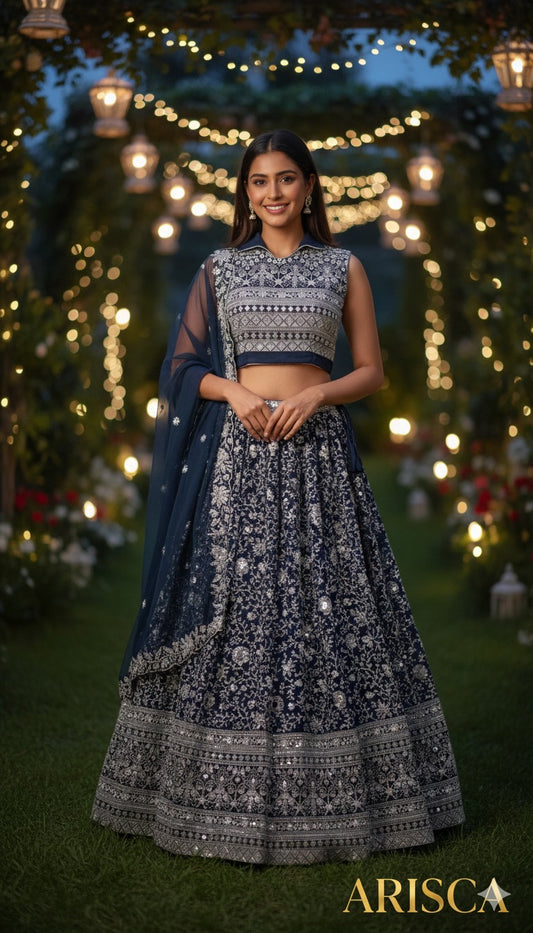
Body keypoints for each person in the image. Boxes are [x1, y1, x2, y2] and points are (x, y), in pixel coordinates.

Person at [92, 129, 465, 865]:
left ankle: (344, 789)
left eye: (286, 179)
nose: (273, 193)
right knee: (242, 608)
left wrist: (317, 395)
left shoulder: (342, 266)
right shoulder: (220, 268)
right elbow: (181, 366)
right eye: (259, 181)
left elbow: (372, 371)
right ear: (245, 191)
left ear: (309, 186)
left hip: (318, 459)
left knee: (329, 605)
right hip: (238, 461)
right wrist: (233, 391)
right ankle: (204, 791)